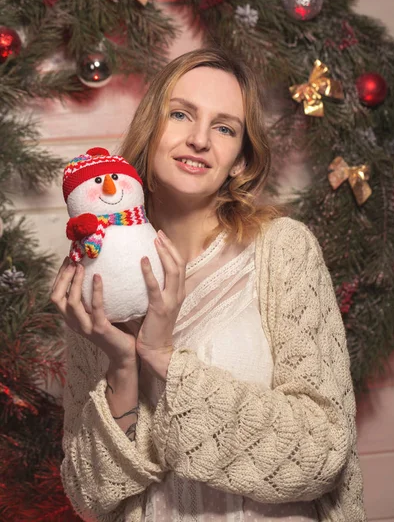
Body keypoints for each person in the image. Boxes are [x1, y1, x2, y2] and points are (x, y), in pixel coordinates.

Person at [51, 48, 367, 522]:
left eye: (224, 128)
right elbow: (89, 493)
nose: (199, 139)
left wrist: (160, 357)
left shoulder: (282, 250)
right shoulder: (98, 281)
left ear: (240, 159)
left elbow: (322, 451)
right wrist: (121, 364)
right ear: (151, 130)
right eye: (180, 114)